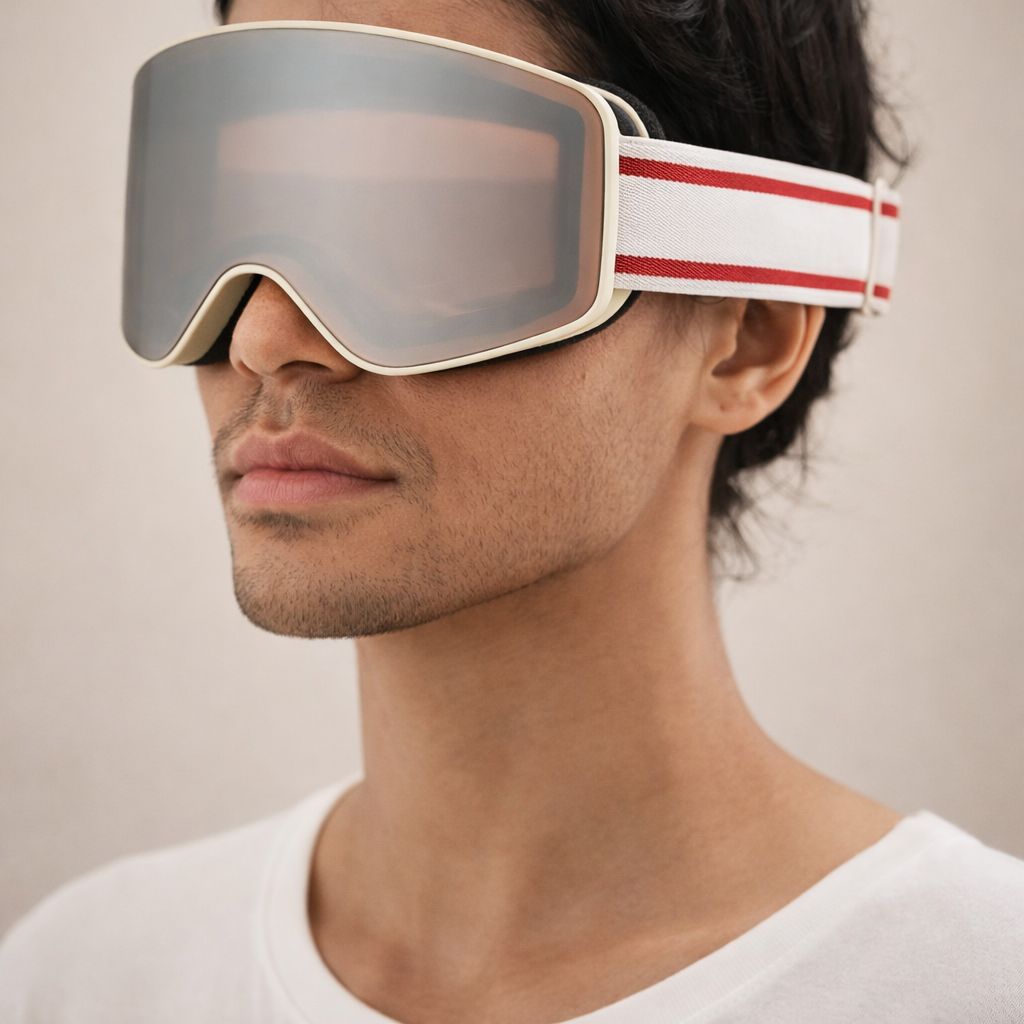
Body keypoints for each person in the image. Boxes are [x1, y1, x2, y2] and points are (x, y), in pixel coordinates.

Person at [1, 0, 1022, 1021]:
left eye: (423, 216)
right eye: (225, 213)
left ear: (745, 337)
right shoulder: (81, 980)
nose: (265, 338)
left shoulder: (976, 984)